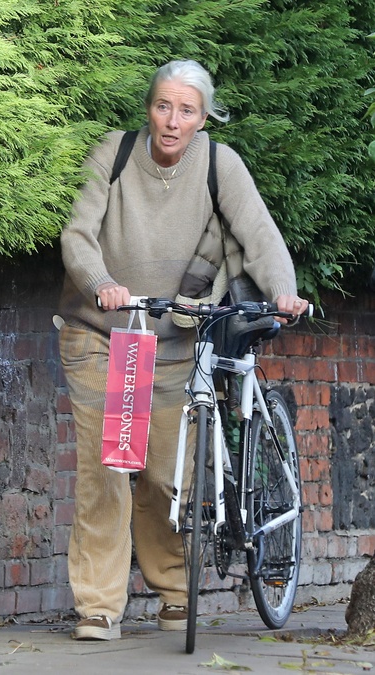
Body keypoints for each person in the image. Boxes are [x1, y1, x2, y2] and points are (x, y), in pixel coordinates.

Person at [58, 59, 309, 641]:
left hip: (176, 339)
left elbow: (259, 234)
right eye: (163, 106)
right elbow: (78, 232)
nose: (172, 121)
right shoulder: (114, 153)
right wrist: (101, 283)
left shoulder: (220, 164)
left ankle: (174, 591)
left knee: (166, 477)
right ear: (149, 108)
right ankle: (98, 606)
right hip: (102, 334)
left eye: (187, 111)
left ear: (203, 117)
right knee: (107, 469)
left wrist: (283, 291)